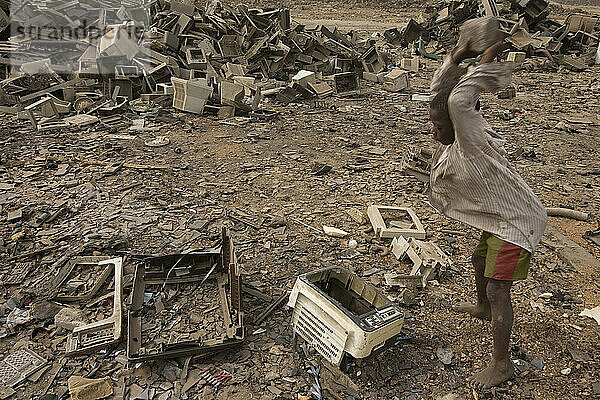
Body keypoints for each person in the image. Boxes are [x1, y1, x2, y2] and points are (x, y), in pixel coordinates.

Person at [428, 39, 548, 388]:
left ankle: (502, 363)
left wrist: (488, 61)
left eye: (438, 126)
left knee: (499, 289)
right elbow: (442, 92)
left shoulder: (472, 141)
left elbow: (458, 100)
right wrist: (456, 56)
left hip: (516, 222)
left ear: (457, 123)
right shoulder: (458, 140)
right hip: (498, 219)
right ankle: (482, 309)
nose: (434, 132)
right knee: (479, 261)